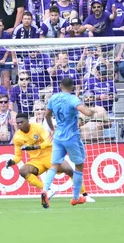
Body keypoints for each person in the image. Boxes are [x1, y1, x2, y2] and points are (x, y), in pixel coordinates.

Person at [6, 111, 93, 201]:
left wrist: (34, 147)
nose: (19, 125)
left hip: (50, 156)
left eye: (21, 122)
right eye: (18, 123)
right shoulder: (17, 137)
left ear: (27, 121)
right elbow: (18, 156)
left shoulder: (37, 127)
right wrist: (12, 162)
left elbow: (49, 141)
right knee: (23, 171)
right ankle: (48, 190)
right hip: (36, 161)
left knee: (69, 170)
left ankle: (85, 194)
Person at [41, 77, 96, 208]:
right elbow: (87, 112)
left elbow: (47, 115)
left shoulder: (53, 98)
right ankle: (76, 197)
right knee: (79, 165)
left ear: (60, 86)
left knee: (54, 165)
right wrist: (93, 112)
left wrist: (53, 129)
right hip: (71, 137)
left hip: (58, 136)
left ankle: (45, 190)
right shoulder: (73, 99)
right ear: (72, 87)